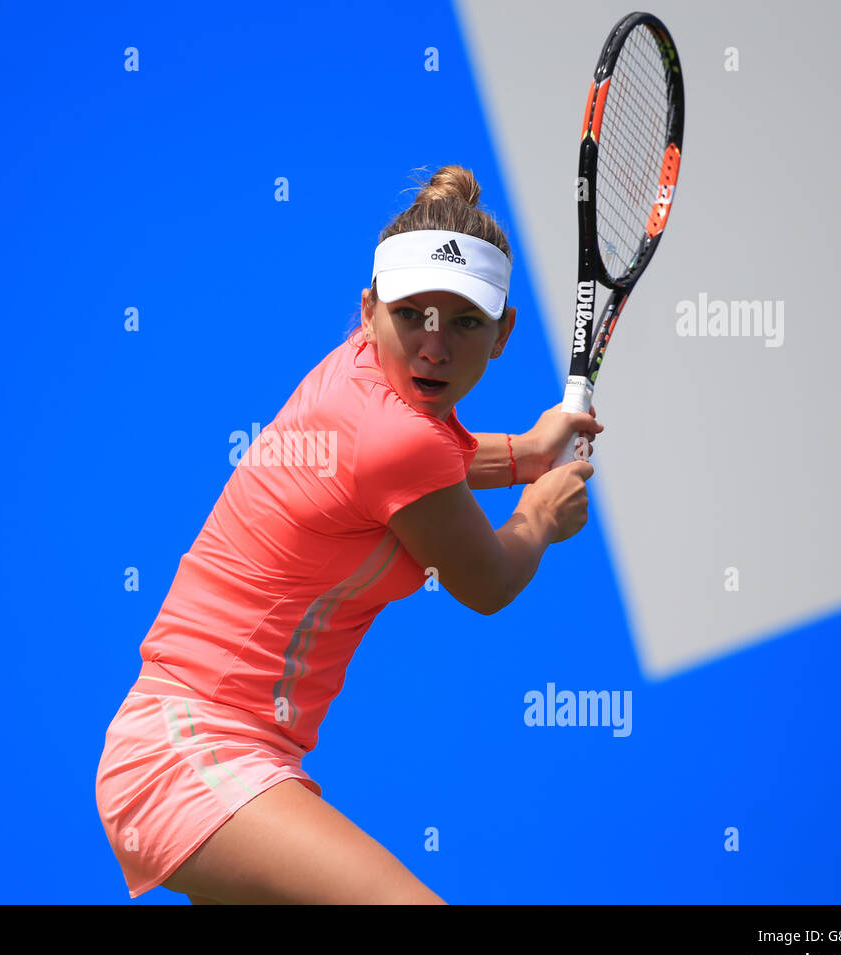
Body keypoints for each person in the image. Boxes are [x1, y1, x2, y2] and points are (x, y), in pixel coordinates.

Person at [95, 165, 602, 905]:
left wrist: (526, 454)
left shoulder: (360, 376)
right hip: (189, 752)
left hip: (204, 748)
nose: (435, 346)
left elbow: (428, 468)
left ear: (503, 334)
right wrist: (539, 515)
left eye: (464, 322)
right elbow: (487, 580)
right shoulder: (398, 440)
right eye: (413, 316)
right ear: (371, 310)